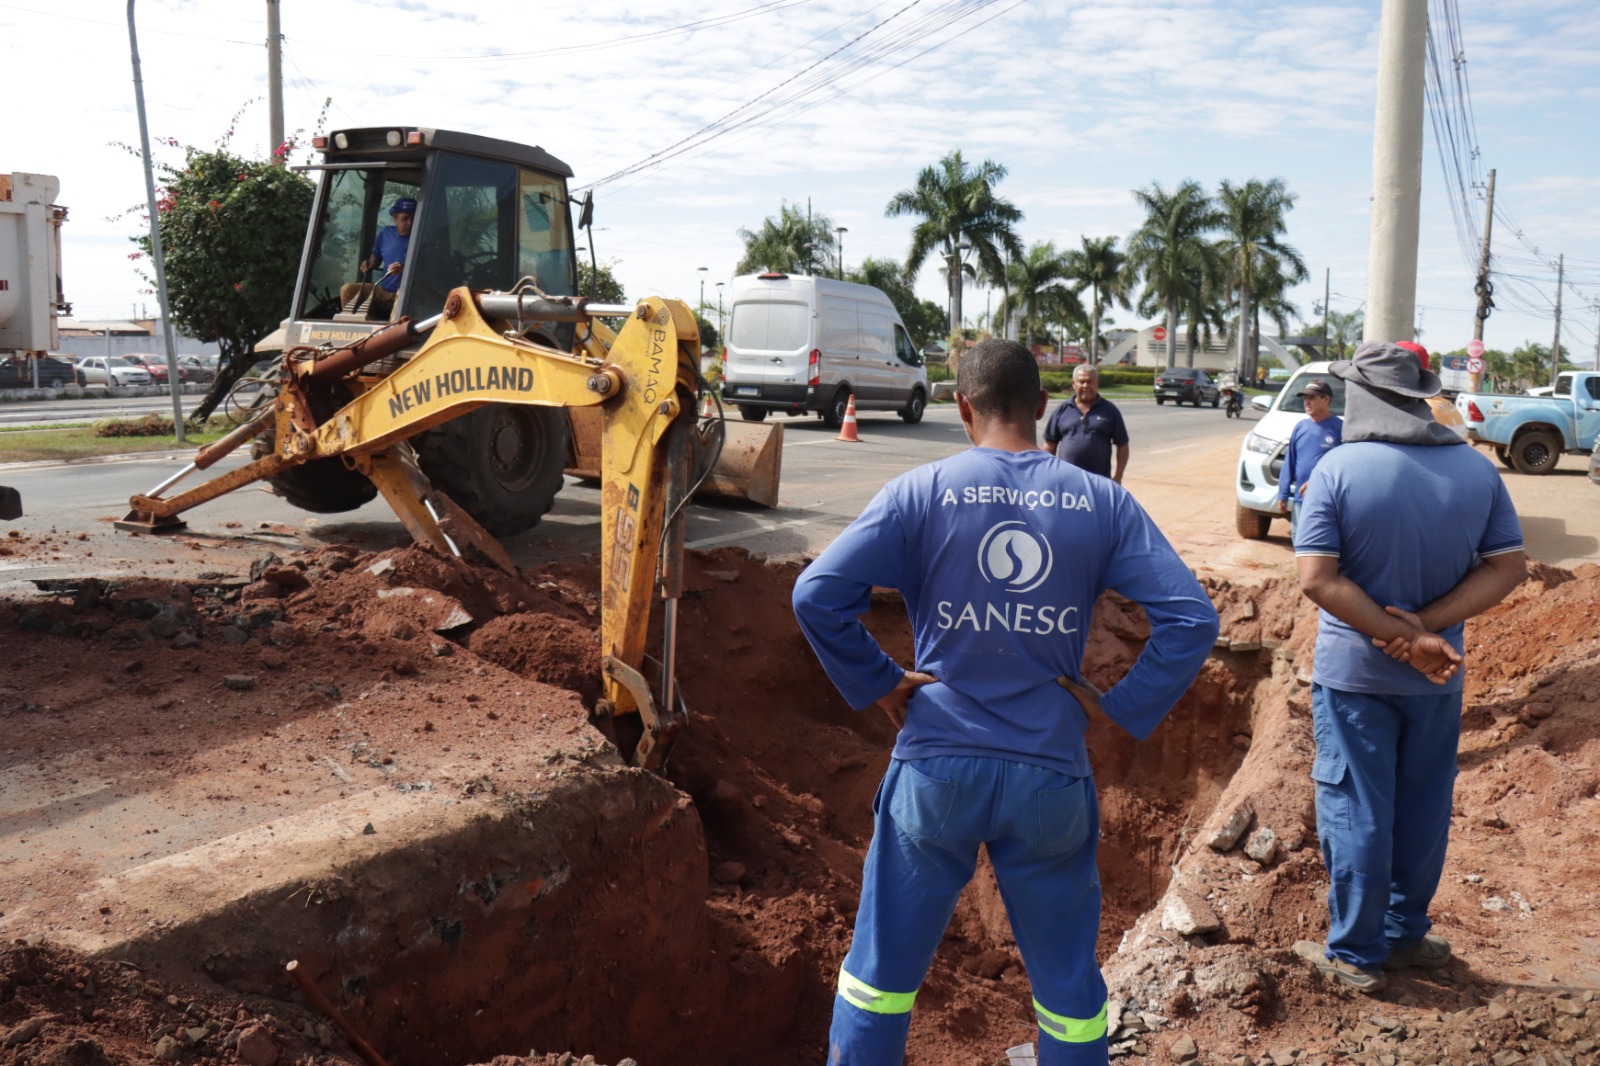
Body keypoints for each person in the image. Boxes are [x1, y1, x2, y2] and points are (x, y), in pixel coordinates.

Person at [791, 339, 1219, 1065]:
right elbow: (1193, 619)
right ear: (1044, 406)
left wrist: (883, 681)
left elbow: (815, 594)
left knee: (879, 982)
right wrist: (1116, 705)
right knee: (1067, 993)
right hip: (1049, 773)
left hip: (935, 769)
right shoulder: (1101, 502)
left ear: (963, 406)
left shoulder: (919, 491)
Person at [1291, 340, 1526, 994]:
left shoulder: (1339, 470)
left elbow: (1316, 579)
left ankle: (1357, 955)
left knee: (1359, 806)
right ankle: (1404, 933)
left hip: (1355, 677)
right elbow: (1509, 567)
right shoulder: (1476, 471)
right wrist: (1425, 630)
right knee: (1422, 804)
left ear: (1362, 396)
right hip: (1436, 674)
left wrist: (1397, 631)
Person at [1276, 379, 1343, 542]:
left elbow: (1344, 468)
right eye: (1305, 398)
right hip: (1300, 500)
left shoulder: (1340, 429)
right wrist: (1283, 494)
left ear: (1326, 400)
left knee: (1319, 541)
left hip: (1326, 501)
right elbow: (1290, 462)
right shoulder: (1301, 427)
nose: (1307, 402)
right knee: (1298, 539)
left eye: (1312, 398)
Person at [1042, 364, 1130, 483]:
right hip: (1066, 481)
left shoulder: (1110, 410)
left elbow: (1122, 445)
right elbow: (1050, 445)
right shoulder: (1062, 410)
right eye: (1081, 382)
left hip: (1100, 482)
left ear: (1097, 383)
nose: (1085, 386)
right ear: (1073, 384)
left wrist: (1118, 477)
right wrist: (1048, 474)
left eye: (1090, 382)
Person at [360, 197, 416, 295]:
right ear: (395, 217)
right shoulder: (385, 233)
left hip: (405, 295)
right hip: (382, 289)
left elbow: (428, 271)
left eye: (413, 218)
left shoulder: (422, 240)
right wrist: (370, 263)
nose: (410, 223)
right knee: (347, 290)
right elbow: (375, 257)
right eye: (405, 218)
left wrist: (405, 269)